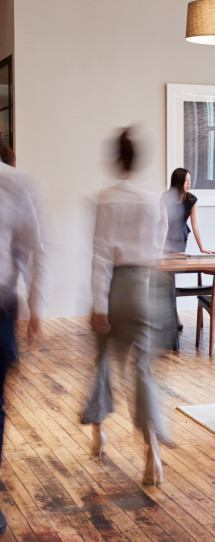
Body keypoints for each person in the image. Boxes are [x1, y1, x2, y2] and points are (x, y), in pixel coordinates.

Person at [82, 128, 166, 486]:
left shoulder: (106, 199)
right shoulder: (152, 201)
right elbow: (158, 248)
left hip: (116, 287)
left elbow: (101, 253)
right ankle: (152, 455)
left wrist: (98, 304)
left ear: (116, 160)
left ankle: (98, 434)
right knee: (142, 369)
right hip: (145, 287)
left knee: (102, 361)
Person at [0, 159, 48, 532]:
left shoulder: (13, 182)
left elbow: (34, 247)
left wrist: (36, 304)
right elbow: (36, 248)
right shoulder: (14, 181)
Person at [161, 167, 213, 255]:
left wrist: (202, 248)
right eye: (186, 180)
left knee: (178, 264)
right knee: (164, 264)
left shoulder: (192, 200)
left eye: (190, 180)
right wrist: (160, 249)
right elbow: (164, 226)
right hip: (163, 236)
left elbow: (195, 225)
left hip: (180, 235)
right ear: (178, 181)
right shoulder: (165, 198)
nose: (189, 183)